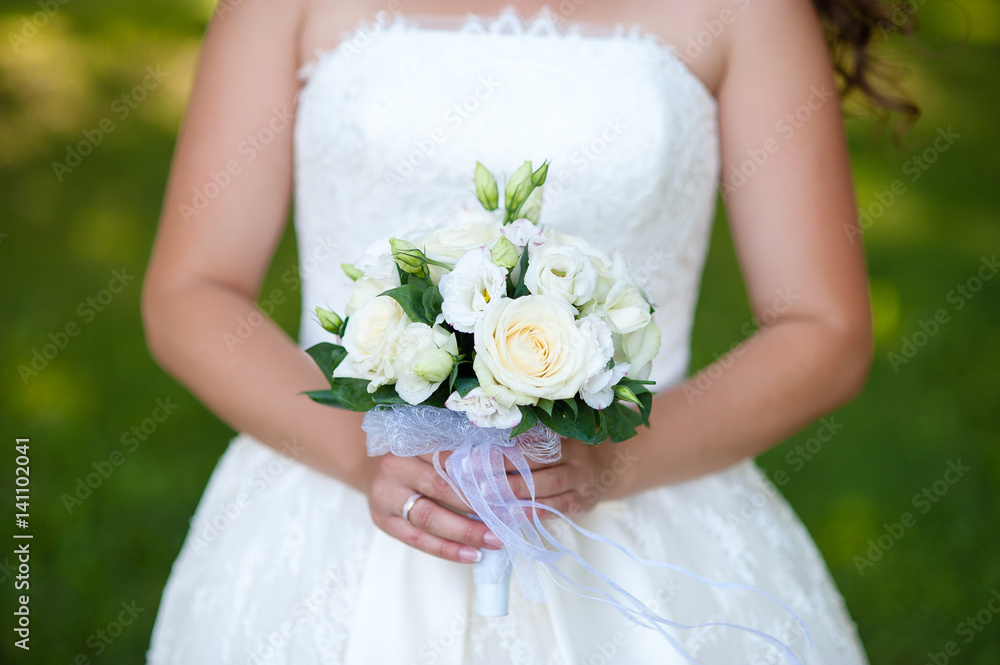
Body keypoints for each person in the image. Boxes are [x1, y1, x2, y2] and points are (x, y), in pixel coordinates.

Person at [142, 1, 911, 662]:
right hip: (327, 494)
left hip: (642, 501)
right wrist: (367, 452)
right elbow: (191, 290)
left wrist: (610, 460)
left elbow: (823, 326)